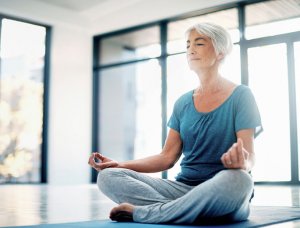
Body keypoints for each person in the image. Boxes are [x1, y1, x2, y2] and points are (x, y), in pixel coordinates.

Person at [88, 22, 263, 224]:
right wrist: (120, 164)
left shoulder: (241, 95)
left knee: (239, 179)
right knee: (108, 177)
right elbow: (167, 157)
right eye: (188, 45)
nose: (190, 50)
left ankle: (147, 213)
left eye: (199, 44)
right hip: (182, 190)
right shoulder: (182, 103)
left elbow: (250, 156)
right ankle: (187, 211)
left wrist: (243, 163)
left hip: (223, 187)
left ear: (220, 53)